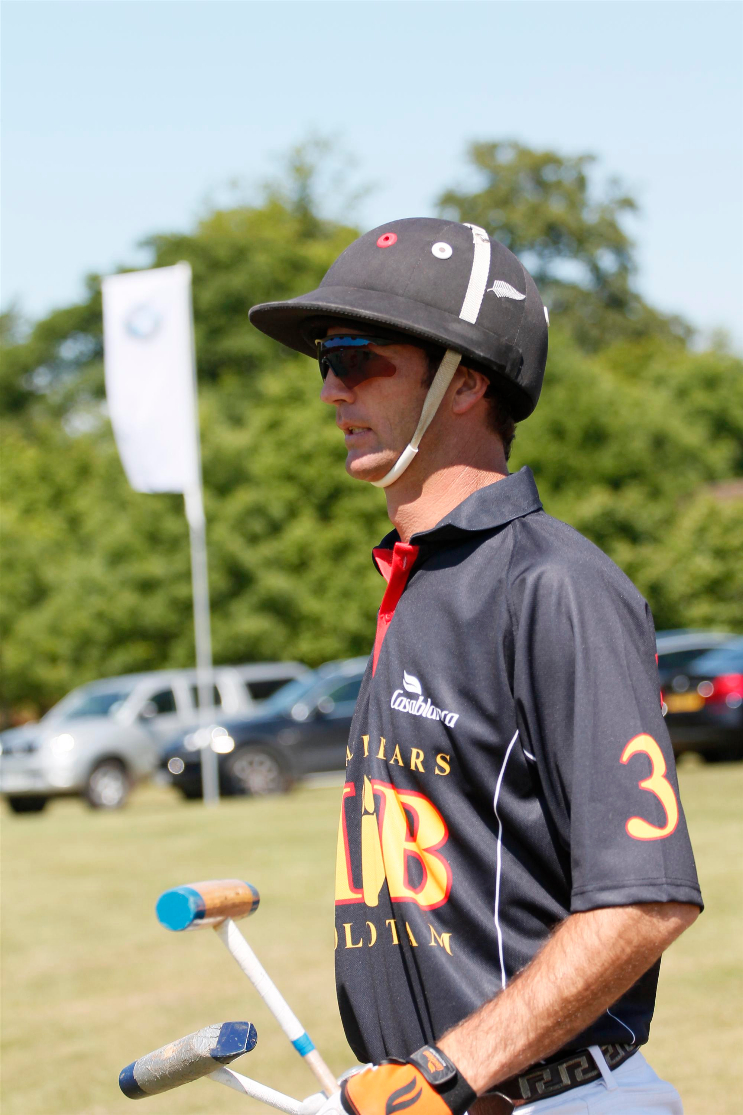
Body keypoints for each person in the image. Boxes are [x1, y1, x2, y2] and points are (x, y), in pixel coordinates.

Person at [249, 218, 702, 1115]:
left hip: (548, 1098)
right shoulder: (413, 577)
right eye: (323, 362)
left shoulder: (554, 584)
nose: (331, 390)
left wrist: (443, 1073)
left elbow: (645, 899)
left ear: (466, 382)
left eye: (356, 356)